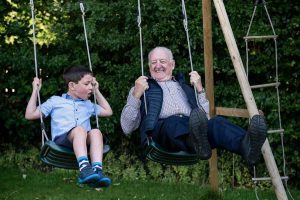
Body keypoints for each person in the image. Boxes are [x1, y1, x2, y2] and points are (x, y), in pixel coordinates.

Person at [120, 46, 267, 166]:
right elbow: (127, 127)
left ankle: (247, 147)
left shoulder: (185, 87)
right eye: (153, 62)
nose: (158, 65)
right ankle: (195, 141)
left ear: (172, 64)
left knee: (217, 122)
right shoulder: (141, 89)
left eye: (162, 61)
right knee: (174, 122)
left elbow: (206, 117)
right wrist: (136, 95)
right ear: (149, 66)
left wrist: (200, 89)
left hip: (194, 127)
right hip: (162, 131)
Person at [25, 66, 112, 187]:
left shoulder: (88, 104)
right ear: (72, 86)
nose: (91, 87)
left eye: (92, 84)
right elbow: (30, 115)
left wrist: (97, 91)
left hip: (83, 141)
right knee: (80, 130)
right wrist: (35, 90)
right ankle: (84, 170)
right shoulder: (55, 101)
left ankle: (97, 171)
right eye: (87, 84)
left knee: (96, 132)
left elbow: (108, 111)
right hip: (62, 141)